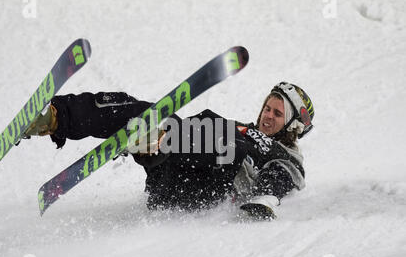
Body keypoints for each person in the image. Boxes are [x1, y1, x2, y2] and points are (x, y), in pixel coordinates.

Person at [24, 82, 314, 220]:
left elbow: (282, 177)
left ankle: (157, 139)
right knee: (139, 110)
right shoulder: (242, 128)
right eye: (267, 107)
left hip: (203, 192)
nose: (268, 115)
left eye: (278, 113)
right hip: (169, 175)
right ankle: (54, 117)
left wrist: (265, 198)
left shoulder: (286, 156)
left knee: (227, 141)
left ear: (293, 124)